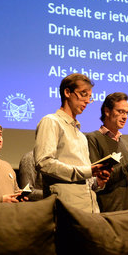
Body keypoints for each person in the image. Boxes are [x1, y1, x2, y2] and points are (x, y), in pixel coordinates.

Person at [34, 73, 109, 213]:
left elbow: (84, 177)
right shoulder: (51, 121)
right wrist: (88, 171)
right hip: (67, 209)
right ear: (67, 92)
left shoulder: (81, 135)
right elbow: (44, 163)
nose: (87, 101)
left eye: (89, 97)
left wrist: (98, 180)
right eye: (83, 94)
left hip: (90, 209)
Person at [87, 92, 128, 212]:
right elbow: (96, 181)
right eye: (121, 112)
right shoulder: (93, 138)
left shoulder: (124, 144)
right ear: (107, 111)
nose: (125, 117)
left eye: (127, 113)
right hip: (109, 212)